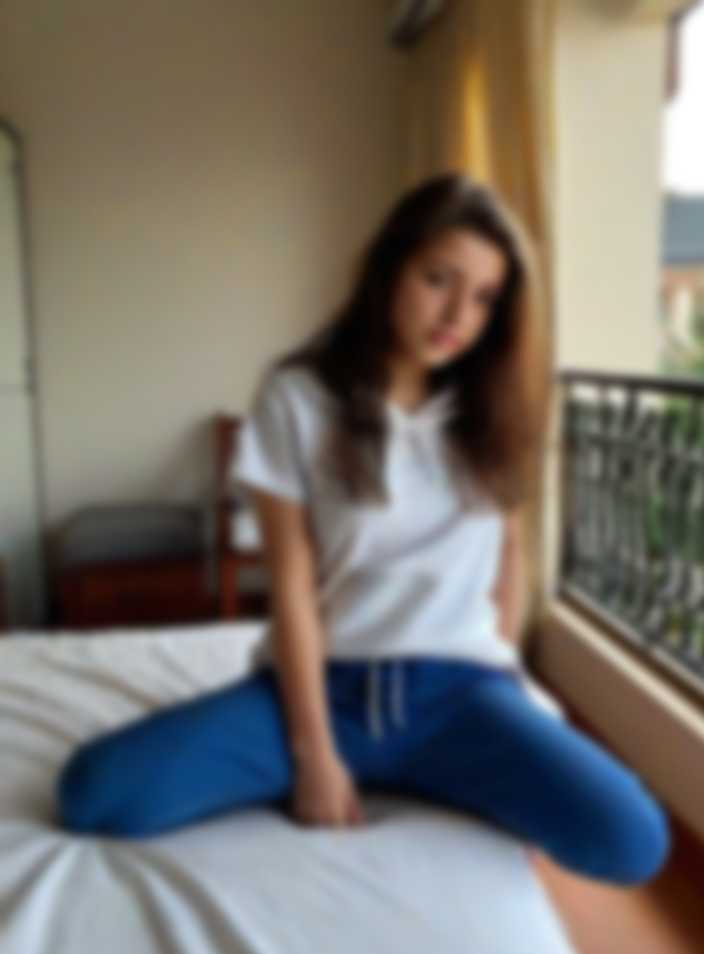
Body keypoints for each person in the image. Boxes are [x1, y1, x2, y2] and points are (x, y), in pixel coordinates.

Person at [56, 171, 671, 886]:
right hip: (330, 686)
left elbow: (508, 557)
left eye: (483, 298)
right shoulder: (298, 397)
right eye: (438, 280)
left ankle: (437, 770)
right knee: (95, 793)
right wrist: (313, 753)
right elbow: (289, 586)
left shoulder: (494, 407)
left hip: (459, 696)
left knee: (632, 838)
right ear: (389, 268)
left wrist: (512, 690)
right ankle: (385, 766)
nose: (458, 315)